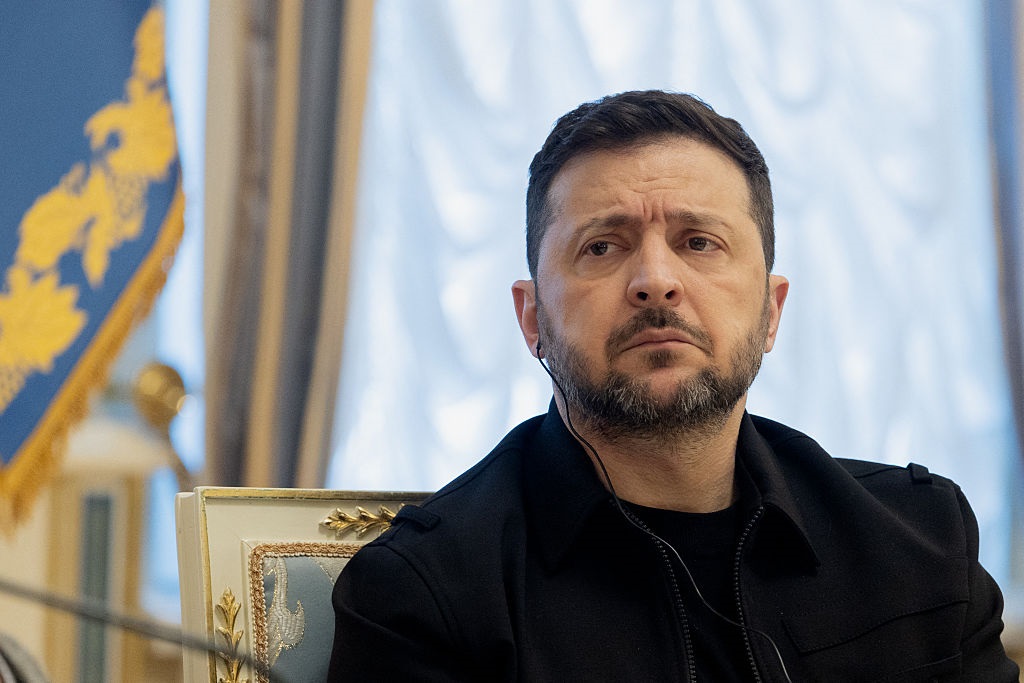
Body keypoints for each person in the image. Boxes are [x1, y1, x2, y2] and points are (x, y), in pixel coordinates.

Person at [327, 90, 1020, 681]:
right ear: (532, 317)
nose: (655, 280)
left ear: (771, 310)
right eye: (602, 246)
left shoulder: (922, 544)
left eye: (699, 242)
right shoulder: (426, 595)